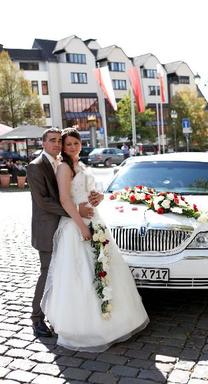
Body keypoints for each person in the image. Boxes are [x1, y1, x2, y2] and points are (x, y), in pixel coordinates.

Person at [41, 128, 149, 352]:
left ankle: (114, 321)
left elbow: (89, 193)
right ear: (62, 146)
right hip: (76, 227)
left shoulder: (81, 165)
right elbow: (64, 200)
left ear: (81, 144)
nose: (72, 147)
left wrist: (97, 197)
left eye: (75, 143)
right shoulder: (64, 168)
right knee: (82, 275)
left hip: (95, 221)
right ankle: (85, 327)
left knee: (104, 269)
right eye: (68, 144)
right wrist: (82, 226)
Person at [27, 128, 99, 338]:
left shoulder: (62, 163)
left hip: (67, 228)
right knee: (47, 272)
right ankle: (37, 319)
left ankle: (58, 315)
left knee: (64, 274)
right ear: (43, 143)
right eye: (52, 141)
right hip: (48, 229)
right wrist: (76, 211)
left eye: (59, 140)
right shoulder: (35, 166)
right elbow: (44, 201)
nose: (57, 144)